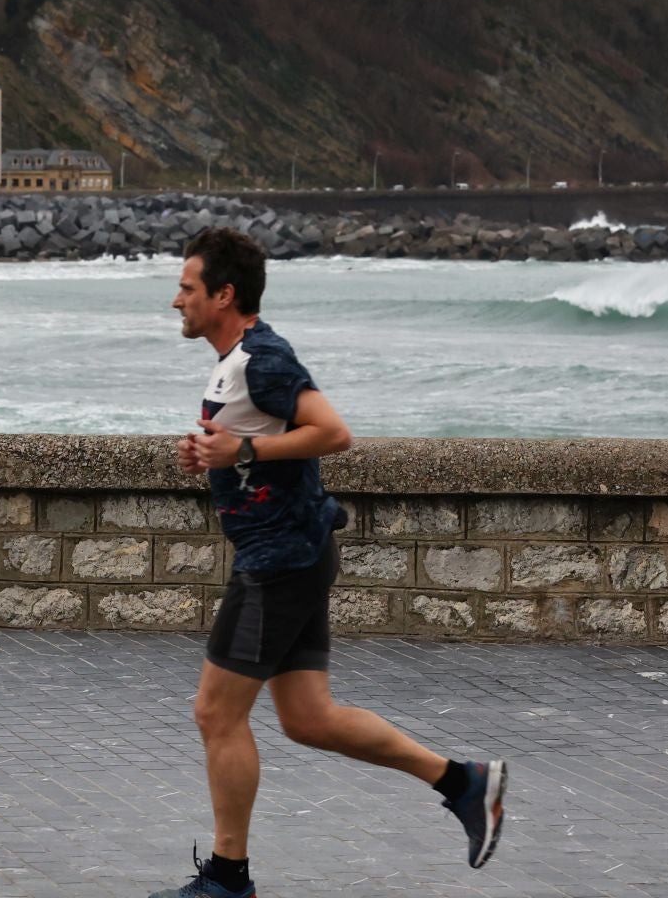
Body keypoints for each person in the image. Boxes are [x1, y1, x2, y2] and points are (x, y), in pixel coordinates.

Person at [150, 228, 507, 898]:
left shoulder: (264, 358)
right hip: (295, 553)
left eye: (188, 288)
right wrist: (216, 454)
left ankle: (229, 879)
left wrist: (241, 456)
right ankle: (465, 783)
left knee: (215, 714)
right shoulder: (238, 361)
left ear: (224, 295)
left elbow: (334, 432)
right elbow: (257, 438)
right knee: (308, 719)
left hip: (278, 563)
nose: (177, 301)